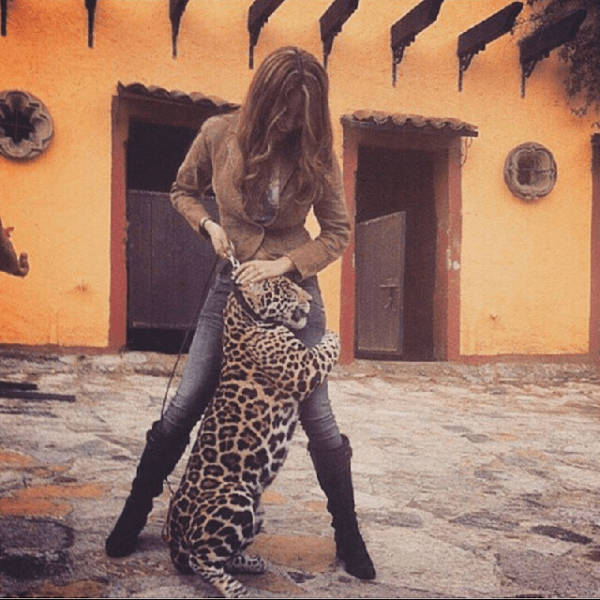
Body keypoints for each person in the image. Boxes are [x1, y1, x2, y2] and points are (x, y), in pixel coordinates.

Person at [105, 46, 375, 580]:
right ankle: (135, 512)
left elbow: (338, 233)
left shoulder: (318, 154)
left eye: (300, 115)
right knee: (187, 401)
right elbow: (183, 190)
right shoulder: (217, 133)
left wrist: (283, 266)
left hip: (296, 296)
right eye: (283, 111)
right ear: (263, 98)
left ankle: (348, 533)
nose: (289, 123)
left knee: (319, 419)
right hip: (229, 291)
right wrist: (209, 226)